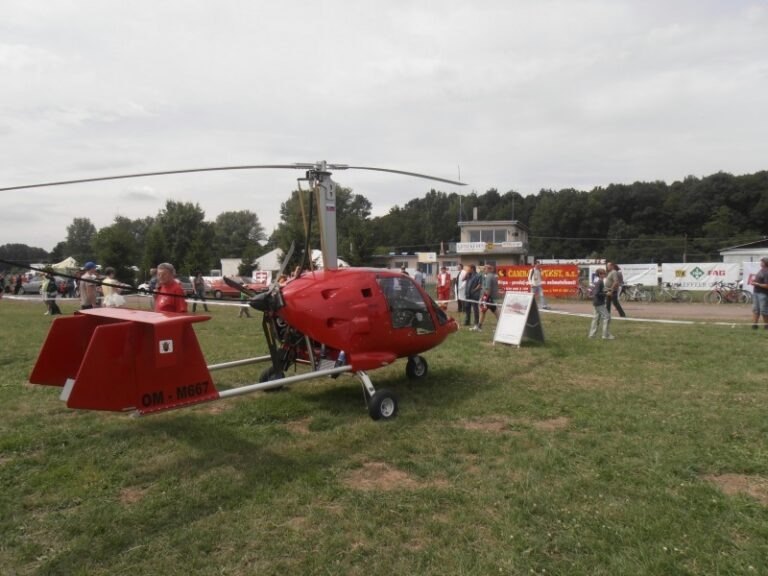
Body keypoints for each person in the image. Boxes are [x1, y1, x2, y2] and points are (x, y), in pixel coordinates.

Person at [588, 268, 614, 340]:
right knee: (607, 317)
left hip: (596, 302)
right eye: (603, 273)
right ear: (600, 274)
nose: (605, 274)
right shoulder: (600, 281)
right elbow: (597, 293)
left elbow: (598, 290)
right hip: (599, 303)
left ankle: (591, 335)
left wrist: (607, 290)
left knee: (595, 319)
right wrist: (606, 294)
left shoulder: (598, 281)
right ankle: (605, 335)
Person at [478, 264, 500, 330]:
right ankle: (479, 326)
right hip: (490, 297)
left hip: (488, 297)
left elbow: (488, 289)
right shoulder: (493, 276)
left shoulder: (489, 277)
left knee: (483, 310)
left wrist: (484, 299)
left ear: (490, 269)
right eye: (484, 268)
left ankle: (479, 326)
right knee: (493, 311)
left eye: (485, 268)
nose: (484, 270)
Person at [750, 256, 768, 329]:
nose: (760, 263)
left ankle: (766, 326)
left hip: (763, 294)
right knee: (755, 309)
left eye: (762, 261)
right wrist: (754, 282)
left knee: (764, 310)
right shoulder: (761, 270)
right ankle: (754, 325)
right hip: (756, 292)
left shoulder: (767, 272)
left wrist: (757, 284)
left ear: (765, 263)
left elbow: (767, 285)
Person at [464, 264, 482, 330]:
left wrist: (474, 290)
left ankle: (476, 322)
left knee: (475, 309)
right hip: (468, 294)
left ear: (472, 269)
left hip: (474, 295)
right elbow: (463, 279)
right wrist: (467, 273)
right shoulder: (469, 275)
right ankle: (467, 321)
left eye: (468, 268)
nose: (467, 270)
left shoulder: (478, 275)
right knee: (467, 307)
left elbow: (479, 285)